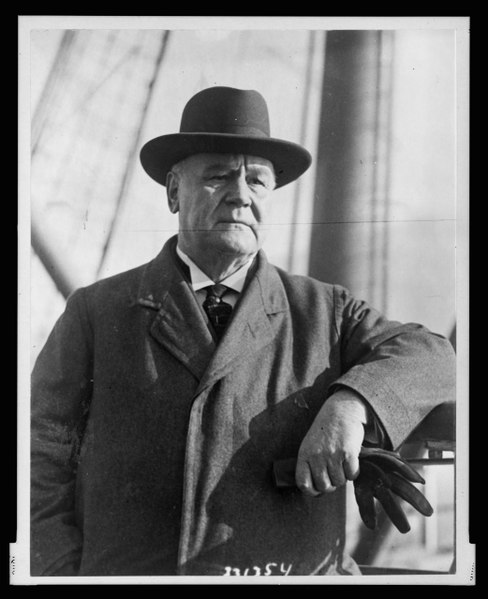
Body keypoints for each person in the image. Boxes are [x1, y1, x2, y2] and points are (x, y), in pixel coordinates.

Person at [31, 86, 456, 577]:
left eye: (257, 180)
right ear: (173, 191)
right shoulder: (96, 312)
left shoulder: (326, 311)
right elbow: (38, 457)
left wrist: (351, 404)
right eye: (217, 176)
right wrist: (63, 576)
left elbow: (436, 354)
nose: (240, 194)